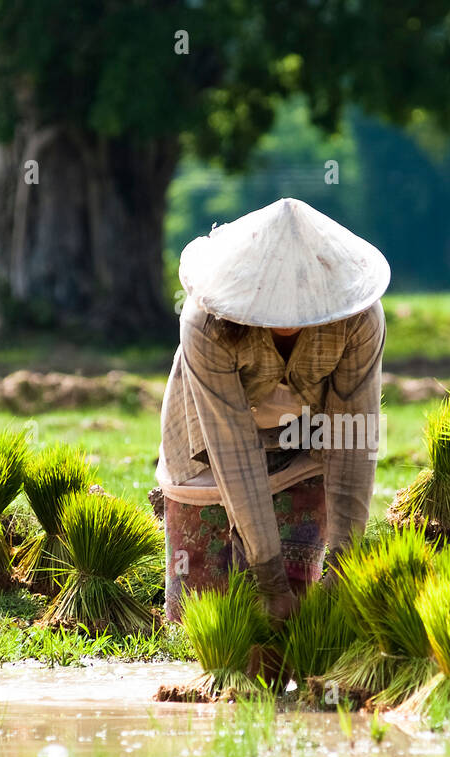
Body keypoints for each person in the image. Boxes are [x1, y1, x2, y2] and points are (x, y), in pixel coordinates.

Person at [154, 197, 388, 625]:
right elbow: (233, 448)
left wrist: (344, 561)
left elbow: (353, 434)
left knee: (303, 615)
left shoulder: (358, 320)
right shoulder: (205, 323)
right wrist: (269, 577)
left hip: (304, 441)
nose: (288, 316)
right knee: (204, 619)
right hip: (210, 445)